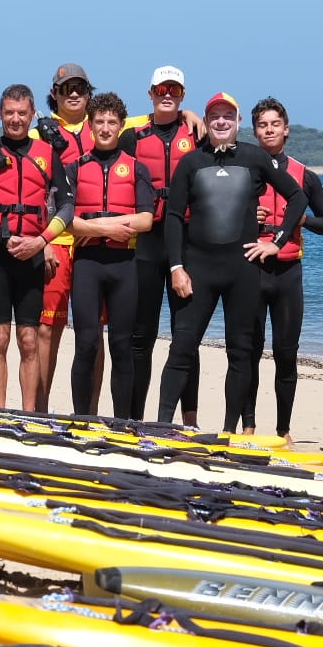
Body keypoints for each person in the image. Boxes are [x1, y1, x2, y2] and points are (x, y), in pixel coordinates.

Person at [158, 93, 305, 431]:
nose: (221, 122)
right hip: (198, 271)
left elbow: (297, 197)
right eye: (215, 117)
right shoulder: (192, 162)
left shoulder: (254, 158)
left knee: (240, 353)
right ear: (207, 123)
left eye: (228, 116)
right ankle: (163, 426)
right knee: (182, 347)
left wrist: (276, 242)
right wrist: (176, 267)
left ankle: (229, 432)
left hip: (242, 272)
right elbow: (174, 217)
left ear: (238, 122)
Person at [0, 83, 71, 412]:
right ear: (0, 114)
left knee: (28, 339)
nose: (16, 119)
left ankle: (27, 413)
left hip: (33, 252)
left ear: (32, 114)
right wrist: (0, 237)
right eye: (9, 113)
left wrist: (42, 240)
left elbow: (66, 206)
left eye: (22, 113)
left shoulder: (47, 154)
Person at [248, 96, 323, 436]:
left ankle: (283, 430)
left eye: (274, 124)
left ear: (286, 130)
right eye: (262, 125)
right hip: (251, 270)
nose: (268, 130)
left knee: (286, 354)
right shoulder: (245, 169)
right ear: (255, 131)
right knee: (249, 352)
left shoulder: (304, 175)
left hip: (288, 273)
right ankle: (249, 426)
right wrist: (245, 216)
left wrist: (303, 220)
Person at [66, 91, 154, 417]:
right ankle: (81, 419)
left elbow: (146, 219)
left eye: (111, 122)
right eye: (99, 121)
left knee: (121, 346)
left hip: (123, 266)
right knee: (86, 345)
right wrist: (109, 228)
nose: (105, 128)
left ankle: (122, 422)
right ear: (89, 126)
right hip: (87, 265)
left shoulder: (136, 168)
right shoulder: (74, 169)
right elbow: (66, 221)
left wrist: (99, 225)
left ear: (120, 126)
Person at [122, 66, 200, 419]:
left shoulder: (196, 134)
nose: (167, 93)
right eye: (160, 88)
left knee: (186, 338)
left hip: (186, 241)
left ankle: (189, 419)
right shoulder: (133, 136)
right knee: (142, 336)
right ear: (150, 93)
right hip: (146, 244)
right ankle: (136, 416)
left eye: (175, 89)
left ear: (182, 95)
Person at [32, 64, 95, 402]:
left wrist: (189, 111)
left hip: (95, 242)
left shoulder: (104, 125)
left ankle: (89, 413)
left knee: (92, 334)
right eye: (66, 88)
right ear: (54, 93)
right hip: (54, 240)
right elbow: (31, 191)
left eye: (80, 88)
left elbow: (154, 119)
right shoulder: (36, 135)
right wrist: (41, 241)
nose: (73, 93)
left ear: (89, 93)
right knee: (47, 328)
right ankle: (40, 408)